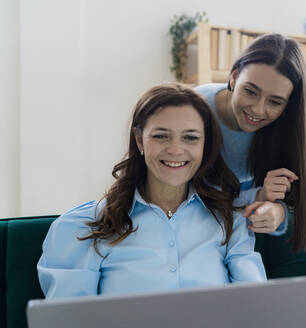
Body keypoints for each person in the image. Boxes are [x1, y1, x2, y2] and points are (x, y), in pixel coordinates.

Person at [38, 83, 266, 298]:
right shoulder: (83, 226)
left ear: (204, 145)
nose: (176, 149)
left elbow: (255, 308)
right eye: (160, 136)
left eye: (190, 138)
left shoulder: (230, 220)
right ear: (139, 140)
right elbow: (69, 320)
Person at [195, 33, 306, 251]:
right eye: (251, 91)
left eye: (275, 102)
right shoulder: (193, 110)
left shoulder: (286, 127)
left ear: (287, 106)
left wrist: (279, 212)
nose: (257, 110)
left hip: (240, 238)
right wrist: (257, 195)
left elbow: (298, 206)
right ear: (234, 77)